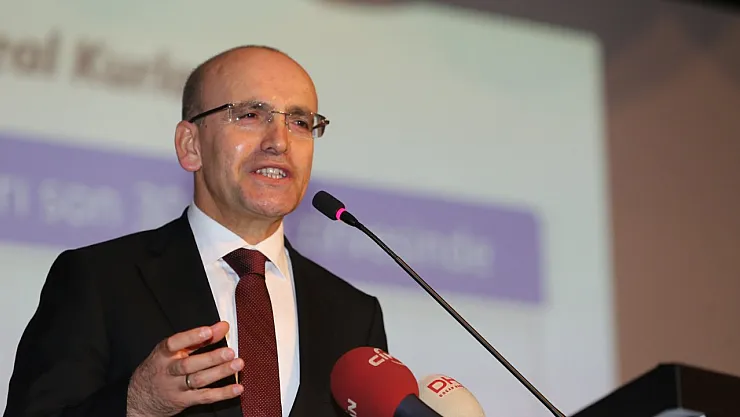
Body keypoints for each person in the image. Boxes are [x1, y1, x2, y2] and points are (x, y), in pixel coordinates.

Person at [3, 45, 388, 417]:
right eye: (251, 115)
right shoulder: (99, 280)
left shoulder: (354, 316)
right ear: (191, 145)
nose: (279, 142)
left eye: (300, 122)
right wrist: (137, 405)